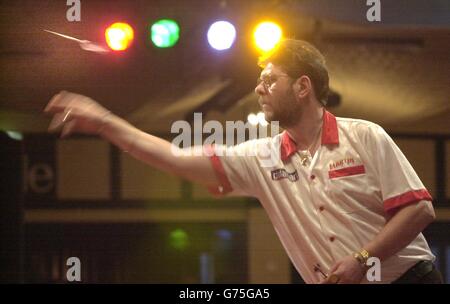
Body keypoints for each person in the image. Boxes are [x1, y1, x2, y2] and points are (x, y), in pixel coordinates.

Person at [44, 39, 443, 284]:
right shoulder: (260, 156)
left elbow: (420, 210)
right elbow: (174, 158)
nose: (258, 88)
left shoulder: (366, 135)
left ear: (303, 87)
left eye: (270, 80)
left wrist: (361, 260)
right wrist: (105, 122)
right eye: (259, 80)